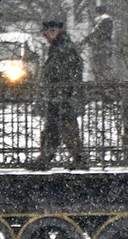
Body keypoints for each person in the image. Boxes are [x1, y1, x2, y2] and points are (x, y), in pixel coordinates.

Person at [28, 17, 87, 170]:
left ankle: (76, 158)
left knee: (65, 127)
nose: (45, 36)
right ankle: (47, 158)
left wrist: (61, 91)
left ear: (55, 32)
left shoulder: (63, 48)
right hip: (60, 95)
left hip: (62, 96)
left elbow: (65, 73)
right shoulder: (60, 46)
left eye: (47, 32)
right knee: (55, 128)